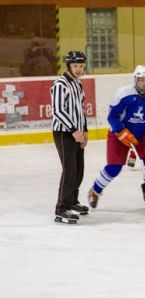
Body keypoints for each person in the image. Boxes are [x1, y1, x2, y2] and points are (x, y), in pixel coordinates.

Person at [87, 65, 145, 208]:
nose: (144, 83)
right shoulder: (123, 94)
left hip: (141, 135)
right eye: (141, 79)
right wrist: (121, 131)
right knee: (114, 168)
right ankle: (95, 191)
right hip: (118, 135)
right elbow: (112, 117)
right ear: (135, 80)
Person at [50, 50, 89, 224]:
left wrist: (85, 130)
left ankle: (72, 201)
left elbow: (80, 109)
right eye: (75, 66)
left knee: (79, 169)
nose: (79, 69)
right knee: (70, 169)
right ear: (69, 66)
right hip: (64, 133)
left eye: (81, 66)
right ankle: (62, 208)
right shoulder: (61, 84)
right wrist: (74, 130)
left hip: (77, 133)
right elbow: (58, 111)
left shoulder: (78, 84)